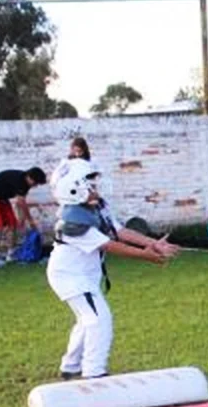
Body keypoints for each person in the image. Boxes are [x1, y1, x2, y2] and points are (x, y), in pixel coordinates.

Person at [46, 159, 178, 379]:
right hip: (69, 277)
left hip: (85, 276)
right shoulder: (71, 223)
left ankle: (70, 366)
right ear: (73, 188)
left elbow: (118, 231)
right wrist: (146, 256)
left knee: (87, 318)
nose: (95, 187)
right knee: (98, 319)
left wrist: (151, 243)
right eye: (89, 184)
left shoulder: (95, 206)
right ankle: (93, 373)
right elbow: (109, 245)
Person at [0, 166, 47, 267]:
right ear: (30, 177)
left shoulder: (26, 185)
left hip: (2, 198)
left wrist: (21, 221)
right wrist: (30, 221)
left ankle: (11, 253)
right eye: (35, 183)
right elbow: (21, 203)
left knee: (12, 223)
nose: (35, 186)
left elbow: (20, 204)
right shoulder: (19, 181)